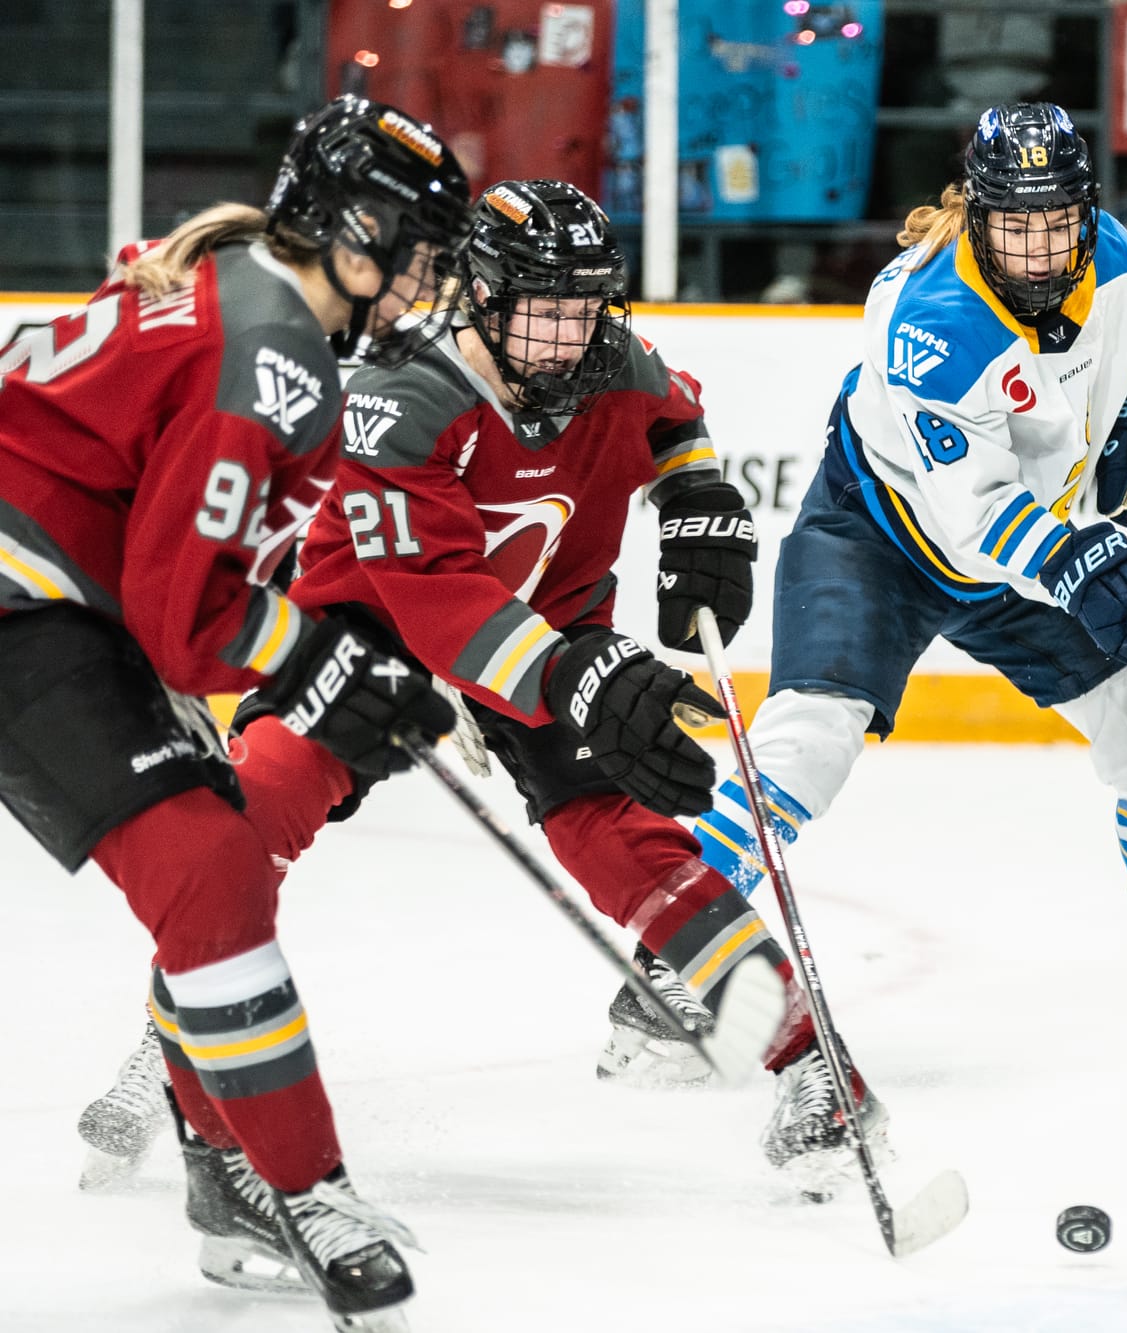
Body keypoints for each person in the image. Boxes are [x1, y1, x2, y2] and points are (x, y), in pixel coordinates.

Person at [78, 179, 871, 1196]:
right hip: (372, 631)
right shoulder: (400, 395)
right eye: (541, 309)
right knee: (257, 798)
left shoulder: (609, 357)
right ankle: (177, 1043)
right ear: (482, 298)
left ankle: (814, 1064)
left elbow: (675, 417)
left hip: (551, 627)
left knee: (631, 841)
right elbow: (440, 601)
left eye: (583, 305)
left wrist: (696, 496)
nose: (566, 333)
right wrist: (578, 677)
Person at [675, 98, 1127, 1103]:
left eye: (1057, 220)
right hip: (876, 535)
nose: (1040, 245)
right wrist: (1087, 564)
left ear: (1084, 209)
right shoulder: (935, 321)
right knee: (803, 747)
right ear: (974, 213)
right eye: (1015, 222)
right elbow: (968, 519)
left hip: (1023, 545)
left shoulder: (1116, 262)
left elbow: (1089, 392)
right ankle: (677, 962)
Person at [0, 95, 472, 1329]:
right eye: (416, 250)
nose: (426, 282)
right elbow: (180, 612)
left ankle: (231, 1172)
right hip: (23, 598)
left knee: (216, 865)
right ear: (353, 230)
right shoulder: (266, 347)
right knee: (211, 866)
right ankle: (295, 1187)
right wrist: (331, 664)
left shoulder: (250, 302)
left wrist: (327, 663)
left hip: (50, 596)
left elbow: (182, 574)